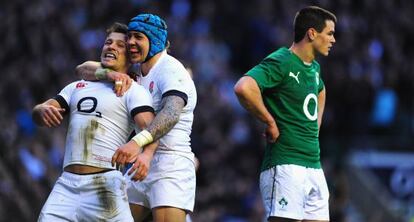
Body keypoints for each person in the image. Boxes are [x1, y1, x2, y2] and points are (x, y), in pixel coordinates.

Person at [76, 13, 197, 222]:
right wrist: (112, 74)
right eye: (129, 36)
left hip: (171, 165)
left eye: (138, 37)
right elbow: (83, 69)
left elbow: (171, 114)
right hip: (141, 165)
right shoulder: (137, 72)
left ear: (155, 40)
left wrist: (136, 143)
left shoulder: (171, 70)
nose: (131, 42)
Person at [33, 22, 158, 221]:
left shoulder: (134, 91)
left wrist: (146, 154)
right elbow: (39, 113)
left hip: (105, 184)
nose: (111, 47)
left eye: (120, 45)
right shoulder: (77, 86)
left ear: (129, 56)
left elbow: (152, 128)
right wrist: (40, 110)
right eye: (108, 42)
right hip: (66, 185)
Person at [234, 6, 336, 222]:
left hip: (313, 166)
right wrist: (269, 121)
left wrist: (312, 133)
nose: (333, 39)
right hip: (285, 165)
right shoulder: (282, 60)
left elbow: (320, 90)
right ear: (312, 33)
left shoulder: (314, 68)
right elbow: (244, 87)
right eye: (330, 33)